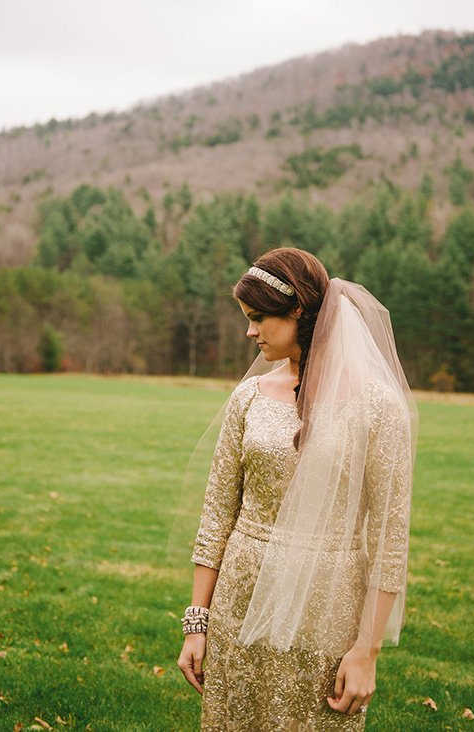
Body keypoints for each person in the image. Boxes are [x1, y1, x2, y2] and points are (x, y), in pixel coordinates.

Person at [177, 247, 417, 731]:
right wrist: (197, 623)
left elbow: (391, 540)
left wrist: (366, 651)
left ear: (299, 311)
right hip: (237, 605)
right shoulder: (247, 397)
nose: (250, 332)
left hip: (327, 610)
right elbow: (216, 513)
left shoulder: (378, 406)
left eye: (259, 318)